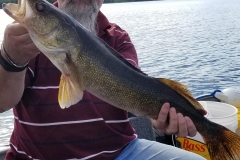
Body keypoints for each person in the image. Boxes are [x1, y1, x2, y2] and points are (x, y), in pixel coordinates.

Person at [0, 0, 205, 159]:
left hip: (122, 153)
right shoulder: (24, 41)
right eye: (40, 8)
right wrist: (12, 58)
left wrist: (160, 119)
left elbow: (136, 91)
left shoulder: (118, 37)